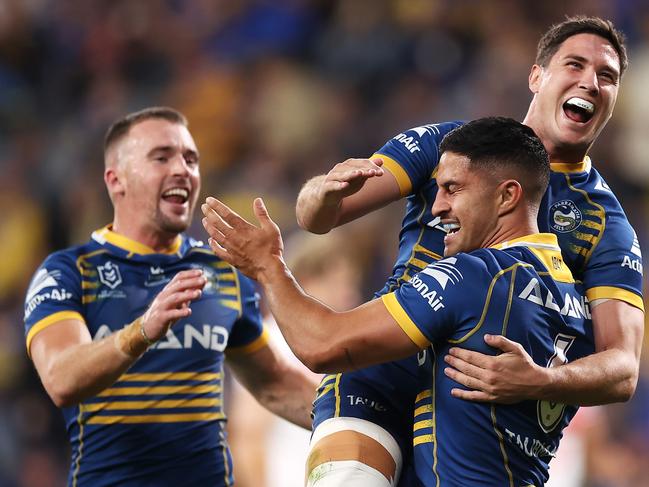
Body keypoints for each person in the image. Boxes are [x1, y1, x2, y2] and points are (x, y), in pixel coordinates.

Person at [293, 15, 644, 486]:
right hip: (379, 374)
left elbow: (622, 369)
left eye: (607, 76)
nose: (591, 82)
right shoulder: (447, 145)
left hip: (476, 409)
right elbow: (318, 218)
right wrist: (325, 192)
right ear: (536, 75)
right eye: (575, 65)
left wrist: (544, 380)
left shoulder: (607, 225)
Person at [202, 116, 596, 486]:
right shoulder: (576, 305)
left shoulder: (474, 275)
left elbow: (322, 345)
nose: (437, 206)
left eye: (452, 188)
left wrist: (269, 267)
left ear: (507, 196)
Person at [23, 107, 317, 487]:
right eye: (161, 157)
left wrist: (370, 414)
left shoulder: (222, 271)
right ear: (116, 180)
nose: (183, 169)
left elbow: (275, 385)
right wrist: (142, 331)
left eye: (190, 159)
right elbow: (61, 378)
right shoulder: (69, 272)